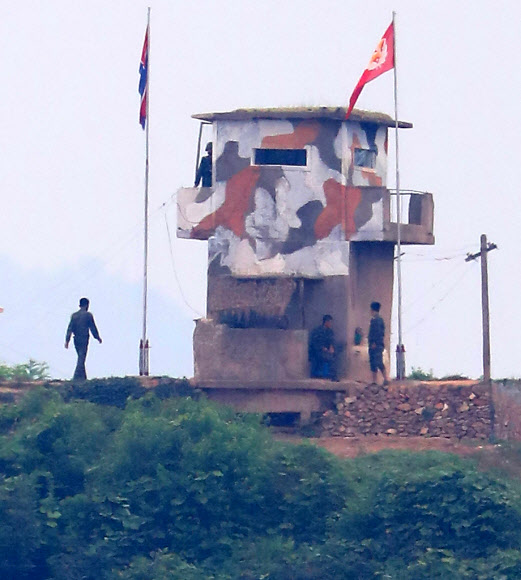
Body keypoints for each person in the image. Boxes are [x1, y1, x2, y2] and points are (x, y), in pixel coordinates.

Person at [65, 297, 102, 381]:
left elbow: (70, 328)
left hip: (76, 339)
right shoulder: (88, 315)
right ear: (87, 305)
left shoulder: (74, 316)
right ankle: (76, 377)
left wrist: (67, 341)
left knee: (81, 357)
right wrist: (97, 337)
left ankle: (83, 378)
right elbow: (93, 328)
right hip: (84, 338)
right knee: (81, 357)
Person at [309, 314, 337, 381]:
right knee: (330, 358)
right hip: (318, 351)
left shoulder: (330, 331)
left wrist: (331, 347)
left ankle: (331, 376)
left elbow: (331, 340)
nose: (330, 324)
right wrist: (322, 348)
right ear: (326, 322)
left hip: (326, 351)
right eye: (330, 322)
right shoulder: (318, 331)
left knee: (334, 355)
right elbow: (314, 342)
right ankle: (332, 376)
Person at [368, 301, 389, 386]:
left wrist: (374, 343)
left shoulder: (377, 320)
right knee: (373, 363)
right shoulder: (375, 320)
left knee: (378, 362)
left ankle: (386, 378)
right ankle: (374, 381)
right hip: (374, 344)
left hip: (376, 345)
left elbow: (378, 333)